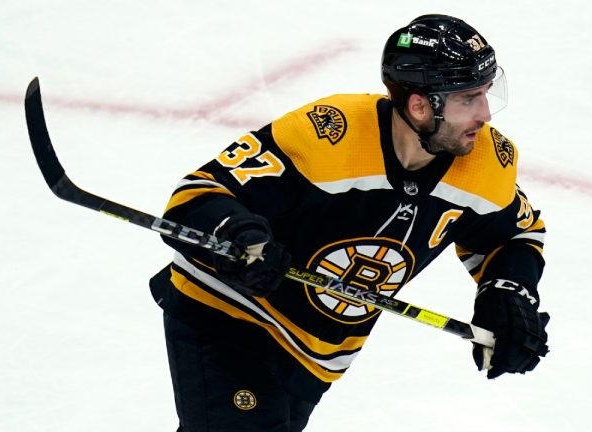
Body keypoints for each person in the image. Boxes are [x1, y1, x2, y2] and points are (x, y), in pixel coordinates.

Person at [149, 14, 550, 432]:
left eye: (486, 93)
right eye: (468, 98)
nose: (485, 114)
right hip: (227, 315)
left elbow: (515, 235)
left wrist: (508, 293)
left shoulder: (486, 163)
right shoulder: (329, 135)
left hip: (318, 354)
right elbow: (197, 195)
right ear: (419, 105)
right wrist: (241, 236)